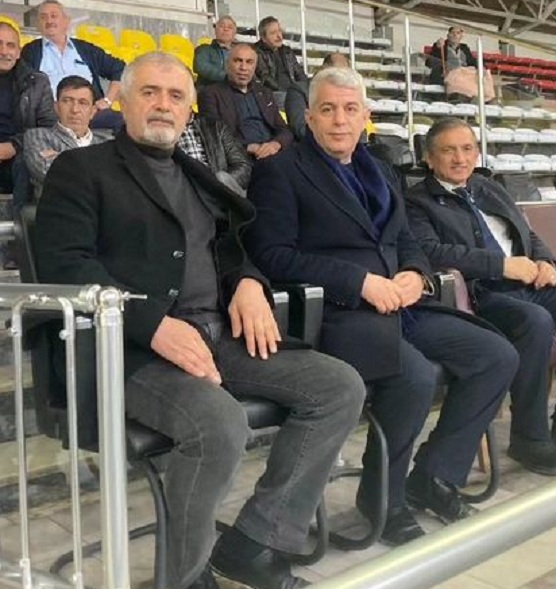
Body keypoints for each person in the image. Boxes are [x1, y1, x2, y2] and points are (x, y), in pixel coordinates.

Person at [35, 52, 365, 589]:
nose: (162, 105)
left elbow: (231, 248)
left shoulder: (198, 175)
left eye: (175, 96)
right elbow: (66, 264)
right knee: (219, 424)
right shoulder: (80, 170)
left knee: (339, 387)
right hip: (129, 350)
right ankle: (185, 579)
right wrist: (151, 323)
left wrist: (250, 283)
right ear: (122, 102)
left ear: (189, 111)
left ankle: (255, 543)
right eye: (149, 92)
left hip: (218, 336)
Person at [245, 68, 519, 546]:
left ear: (365, 117)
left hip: (401, 306)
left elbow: (406, 239)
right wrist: (360, 282)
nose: (340, 120)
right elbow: (272, 254)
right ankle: (382, 501)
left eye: (350, 109)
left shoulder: (379, 168)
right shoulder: (280, 171)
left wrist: (414, 272)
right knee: (412, 377)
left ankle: (434, 476)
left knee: (496, 357)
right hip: (337, 313)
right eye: (328, 109)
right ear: (309, 117)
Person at [405, 117, 556, 476]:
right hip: (481, 294)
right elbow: (432, 252)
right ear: (429, 159)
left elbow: (527, 232)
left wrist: (545, 262)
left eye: (467, 149)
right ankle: (529, 438)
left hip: (529, 284)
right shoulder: (417, 202)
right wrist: (502, 266)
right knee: (534, 321)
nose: (460, 158)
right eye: (448, 151)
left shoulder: (487, 186)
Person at [0, 18, 56, 268]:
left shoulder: (37, 81)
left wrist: (13, 146)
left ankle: (18, 249)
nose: (4, 51)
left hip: (19, 155)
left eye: (10, 45)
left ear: (19, 51)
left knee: (26, 164)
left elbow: (47, 127)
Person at [21, 0, 125, 130]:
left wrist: (108, 100)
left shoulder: (85, 49)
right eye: (43, 17)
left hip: (90, 114)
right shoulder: (30, 51)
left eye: (54, 16)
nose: (49, 21)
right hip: (52, 116)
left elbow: (120, 69)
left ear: (66, 21)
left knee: (124, 122)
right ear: (38, 24)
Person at [198, 43, 293, 161]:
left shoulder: (264, 93)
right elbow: (213, 136)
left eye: (249, 62)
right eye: (238, 61)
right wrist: (248, 147)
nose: (243, 67)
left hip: (273, 153)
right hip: (241, 157)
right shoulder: (210, 94)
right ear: (227, 64)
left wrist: (276, 144)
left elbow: (284, 129)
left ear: (255, 67)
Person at [24, 75, 109, 196]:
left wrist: (61, 158)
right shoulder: (38, 136)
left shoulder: (108, 140)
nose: (75, 109)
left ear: (93, 111)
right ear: (56, 107)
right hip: (59, 206)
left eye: (83, 103)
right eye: (67, 101)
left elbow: (120, 178)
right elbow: (50, 172)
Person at [178, 113, 251, 194]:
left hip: (223, 191)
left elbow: (243, 167)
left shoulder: (216, 128)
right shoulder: (168, 136)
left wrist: (217, 183)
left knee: (222, 177)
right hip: (187, 194)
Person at [285, 51, 349, 141]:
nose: (342, 78)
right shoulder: (298, 90)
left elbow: (357, 126)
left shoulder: (347, 93)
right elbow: (300, 129)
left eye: (345, 74)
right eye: (338, 73)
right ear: (324, 69)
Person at [254, 16, 307, 108]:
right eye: (273, 33)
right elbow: (265, 78)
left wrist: (304, 88)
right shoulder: (257, 52)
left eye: (279, 31)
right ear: (263, 38)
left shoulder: (287, 51)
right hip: (274, 93)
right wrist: (286, 91)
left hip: (292, 91)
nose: (279, 36)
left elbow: (299, 73)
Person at [193, 15, 236, 88]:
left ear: (234, 33)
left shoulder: (239, 53)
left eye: (229, 27)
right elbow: (202, 67)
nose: (225, 29)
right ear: (215, 31)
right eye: (222, 26)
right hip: (209, 89)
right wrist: (228, 77)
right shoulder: (204, 49)